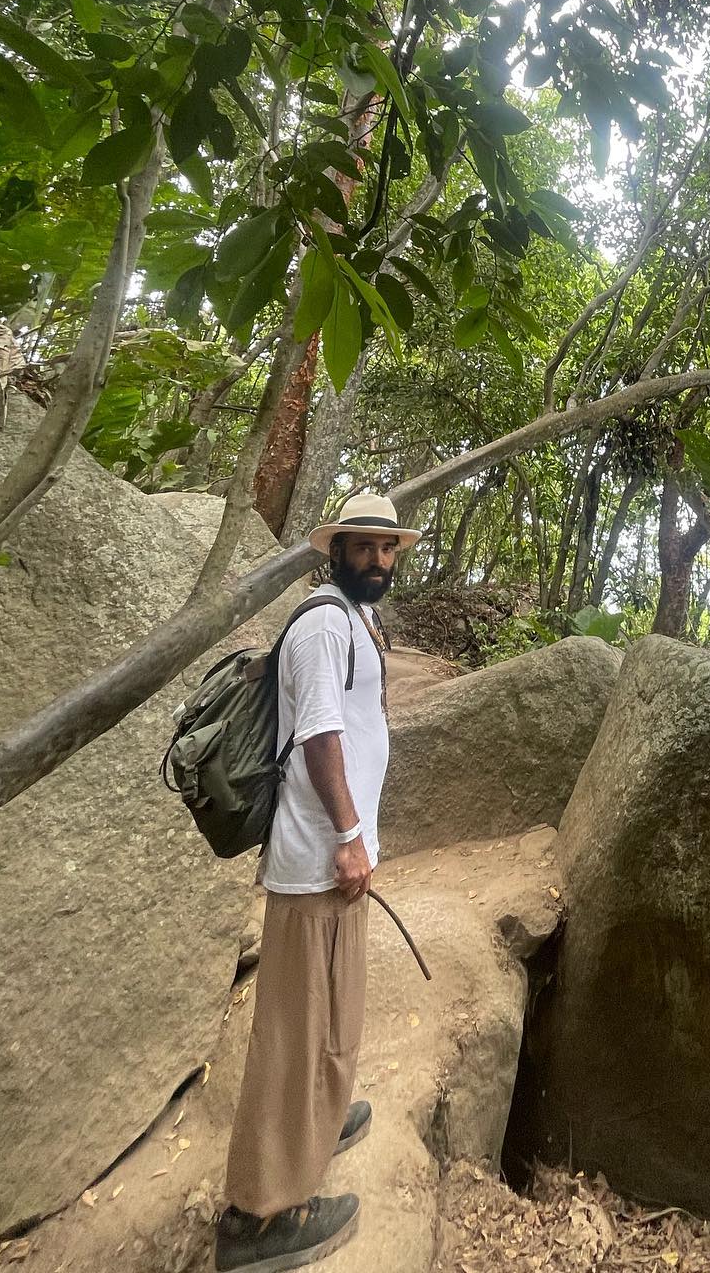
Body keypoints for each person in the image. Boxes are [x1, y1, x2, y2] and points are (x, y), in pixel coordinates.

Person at [214, 492, 421, 1273]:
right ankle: (257, 1215)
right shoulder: (323, 623)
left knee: (336, 1008)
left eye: (387, 548)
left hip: (340, 861)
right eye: (364, 546)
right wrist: (346, 837)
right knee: (294, 1028)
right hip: (314, 861)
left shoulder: (356, 620)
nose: (378, 559)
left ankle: (319, 1122)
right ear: (336, 551)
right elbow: (319, 735)